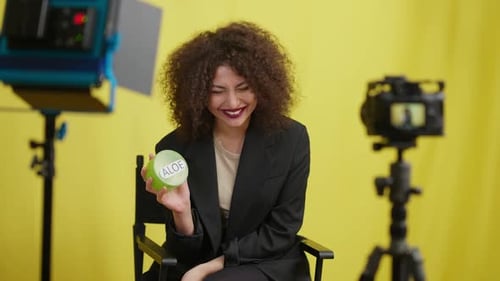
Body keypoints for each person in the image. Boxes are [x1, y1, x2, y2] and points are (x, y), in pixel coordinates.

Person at [141, 21, 311, 281]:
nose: (232, 102)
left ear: (263, 86)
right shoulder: (174, 148)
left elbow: (280, 231)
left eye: (243, 88)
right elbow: (184, 252)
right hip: (196, 261)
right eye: (216, 91)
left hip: (267, 263)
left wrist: (211, 267)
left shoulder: (291, 140)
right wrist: (182, 211)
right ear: (197, 94)